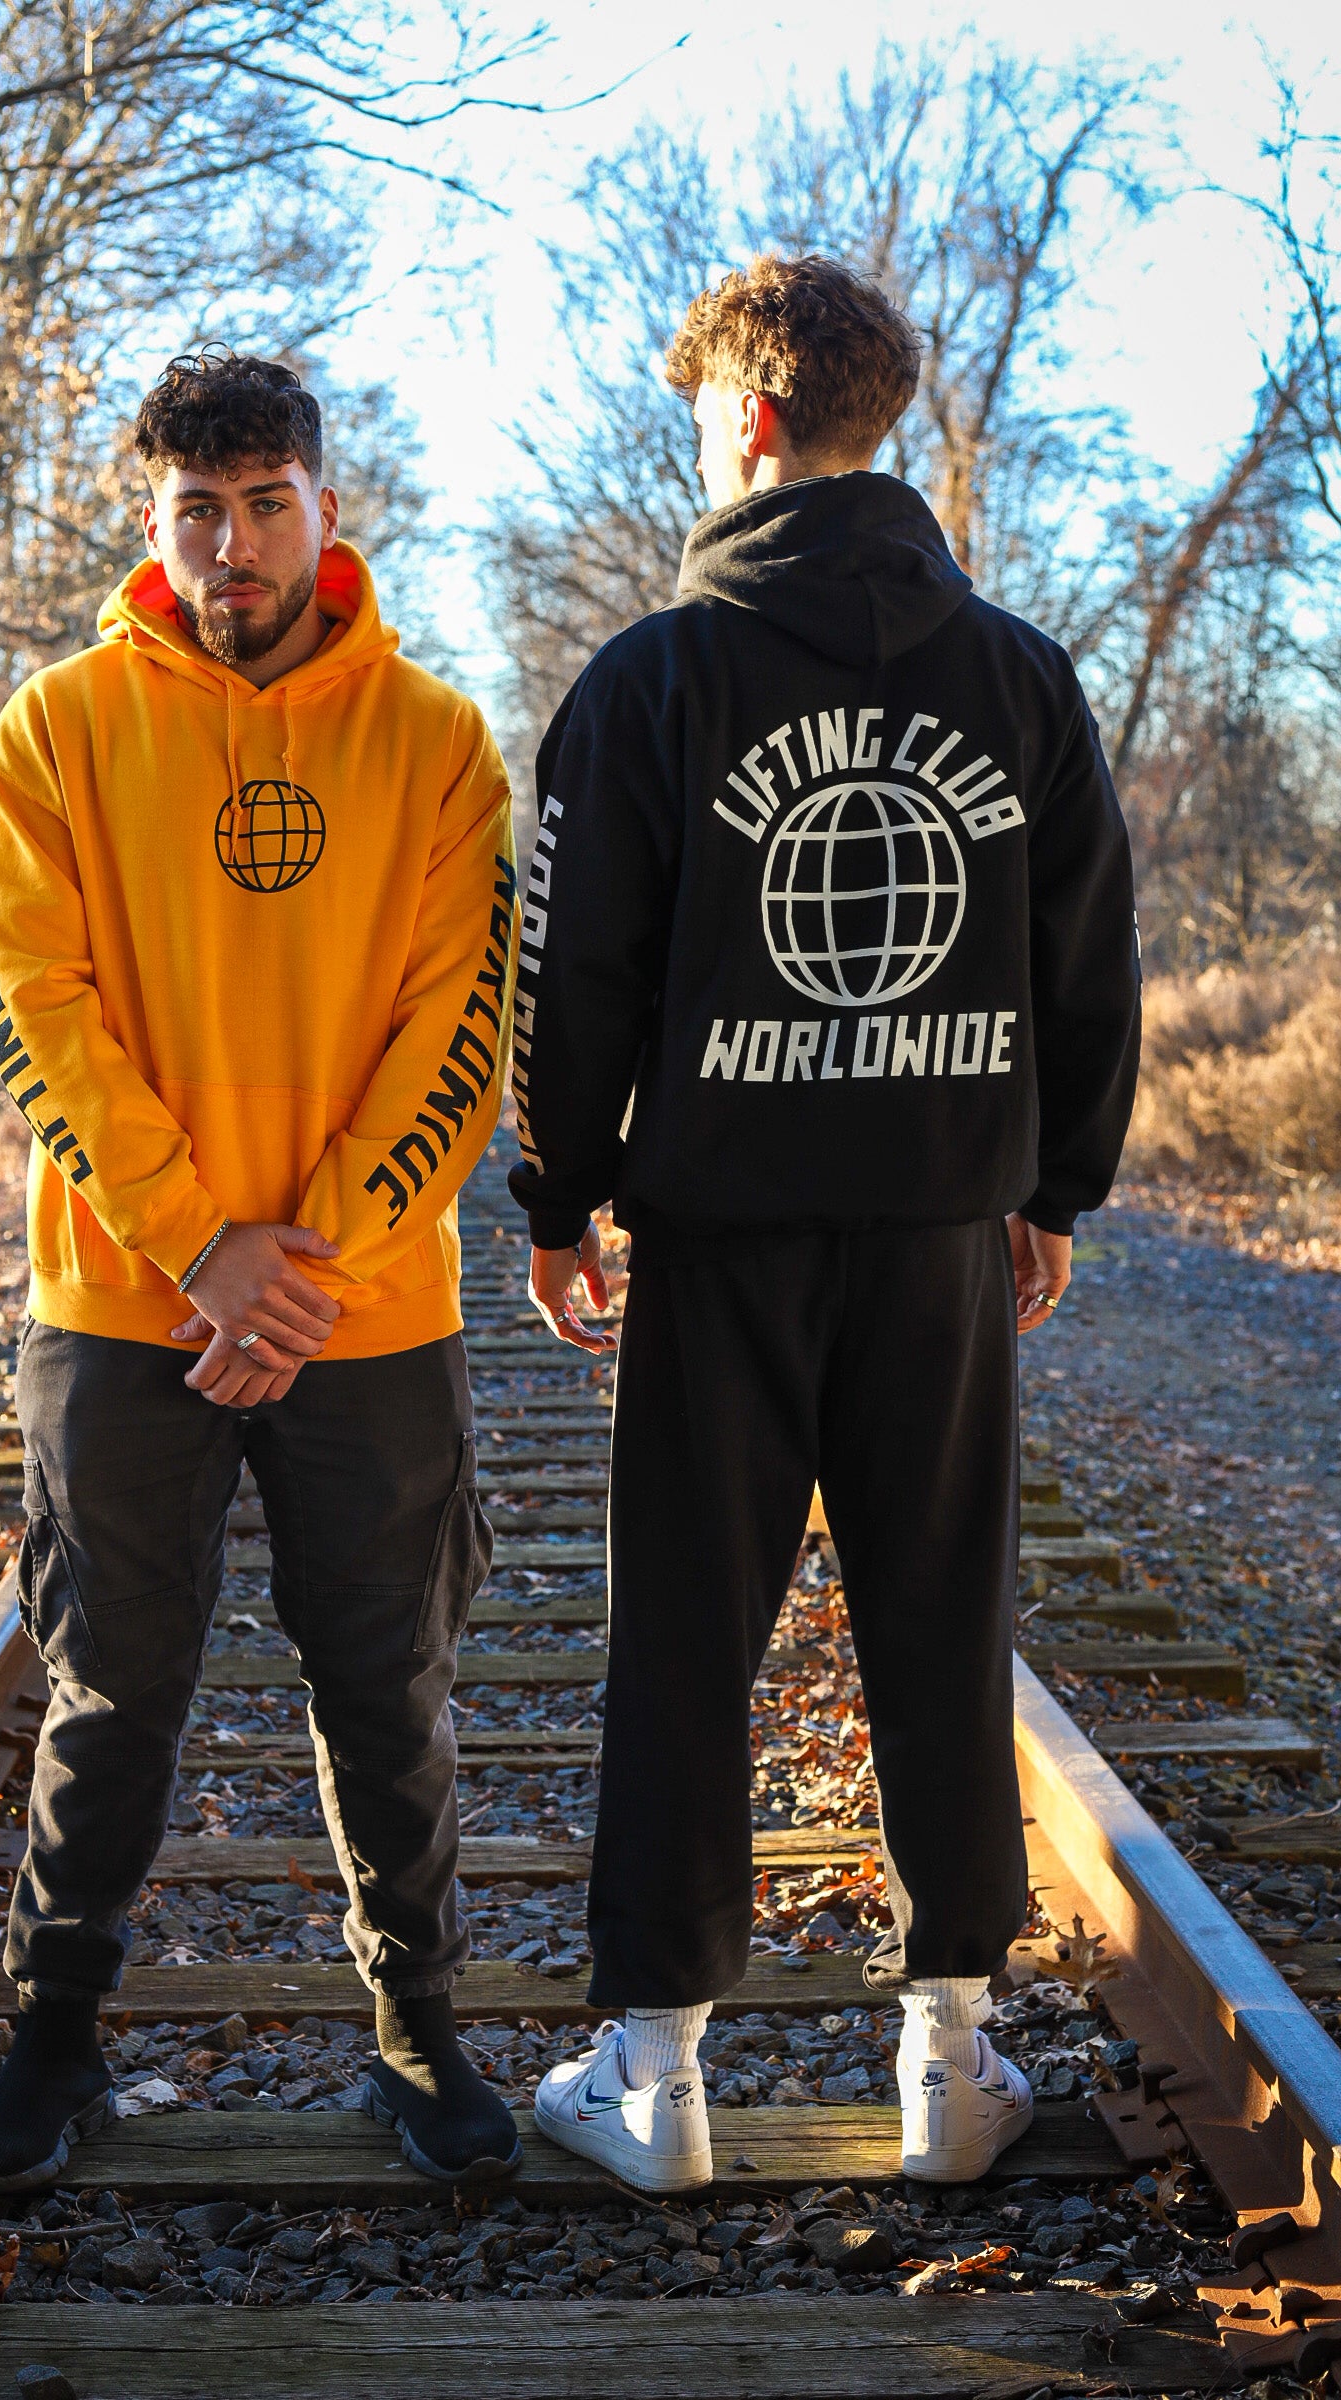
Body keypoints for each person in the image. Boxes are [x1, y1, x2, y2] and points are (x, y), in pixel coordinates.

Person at [507, 254, 1141, 2195]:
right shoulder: (1018, 677)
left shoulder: (652, 680)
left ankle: (654, 2078)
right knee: (942, 1625)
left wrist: (558, 1191)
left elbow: (572, 974)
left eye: (704, 419)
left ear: (750, 419)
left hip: (720, 1247)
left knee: (685, 1635)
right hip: (942, 1242)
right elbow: (1087, 962)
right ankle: (949, 2058)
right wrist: (1050, 1186)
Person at [0, 348, 520, 2195]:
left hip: (370, 1309)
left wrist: (303, 1269)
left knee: (388, 1684)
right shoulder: (53, 731)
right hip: (125, 1303)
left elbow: (462, 1032)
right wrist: (204, 1247)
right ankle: (54, 2043)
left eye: (268, 504)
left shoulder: (436, 740)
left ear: (324, 509)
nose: (236, 545)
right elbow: (35, 1012)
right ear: (155, 518)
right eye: (199, 510)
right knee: (109, 1687)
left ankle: (419, 2031)